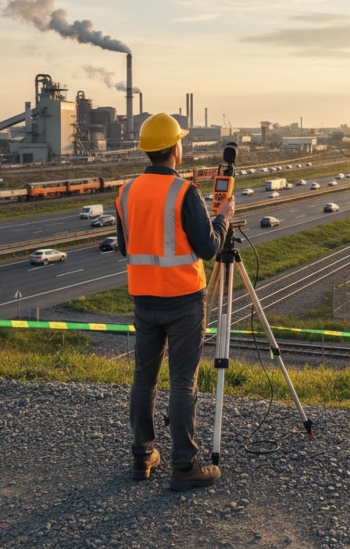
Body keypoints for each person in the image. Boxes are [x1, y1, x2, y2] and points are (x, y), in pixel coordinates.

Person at [115, 113, 234, 491]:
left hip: (143, 298)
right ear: (175, 149)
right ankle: (184, 467)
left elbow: (124, 247)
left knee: (143, 379)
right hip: (182, 301)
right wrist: (223, 217)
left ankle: (142, 456)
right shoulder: (185, 192)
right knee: (183, 381)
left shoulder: (126, 192)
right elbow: (209, 248)